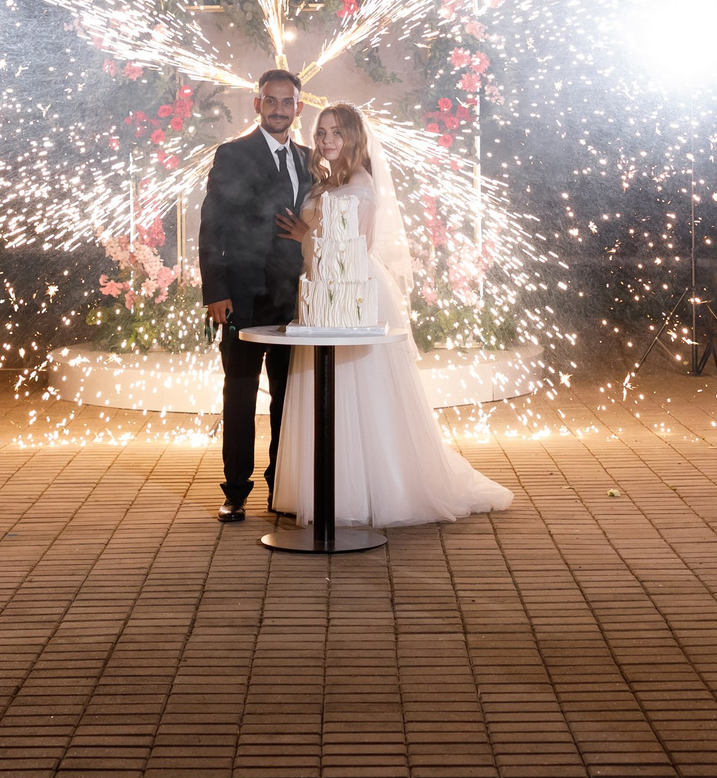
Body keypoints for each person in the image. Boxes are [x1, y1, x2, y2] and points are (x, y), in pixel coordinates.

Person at [271, 103, 512, 528]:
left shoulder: (360, 183)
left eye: (337, 132)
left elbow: (356, 248)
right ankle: (332, 488)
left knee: (362, 387)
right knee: (326, 385)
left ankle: (375, 490)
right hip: (322, 292)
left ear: (355, 138)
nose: (327, 139)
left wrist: (306, 234)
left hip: (355, 290)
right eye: (322, 131)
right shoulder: (325, 181)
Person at [197, 69, 312, 522]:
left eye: (288, 102)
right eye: (271, 100)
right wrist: (215, 290)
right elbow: (212, 225)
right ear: (257, 104)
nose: (279, 108)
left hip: (291, 299)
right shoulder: (233, 154)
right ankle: (235, 491)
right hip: (241, 297)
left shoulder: (307, 159)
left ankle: (278, 488)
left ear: (298, 108)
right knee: (240, 394)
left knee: (287, 396)